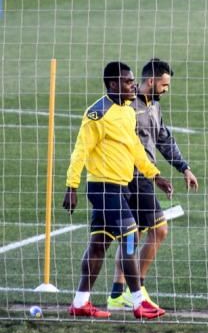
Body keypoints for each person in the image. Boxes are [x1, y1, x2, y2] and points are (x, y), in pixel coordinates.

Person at [62, 61, 173, 319]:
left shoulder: (125, 111)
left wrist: (155, 176)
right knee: (131, 234)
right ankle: (137, 302)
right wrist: (71, 186)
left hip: (120, 187)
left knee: (99, 244)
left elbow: (134, 148)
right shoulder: (97, 114)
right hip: (103, 187)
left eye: (133, 80)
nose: (132, 85)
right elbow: (80, 151)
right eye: (127, 81)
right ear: (113, 84)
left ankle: (80, 302)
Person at [107, 58, 199, 311]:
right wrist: (156, 176)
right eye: (164, 84)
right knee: (159, 231)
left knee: (132, 235)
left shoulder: (154, 106)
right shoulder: (127, 104)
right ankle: (137, 288)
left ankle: (117, 293)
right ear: (151, 81)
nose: (166, 90)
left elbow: (164, 140)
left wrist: (184, 168)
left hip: (145, 177)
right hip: (134, 177)